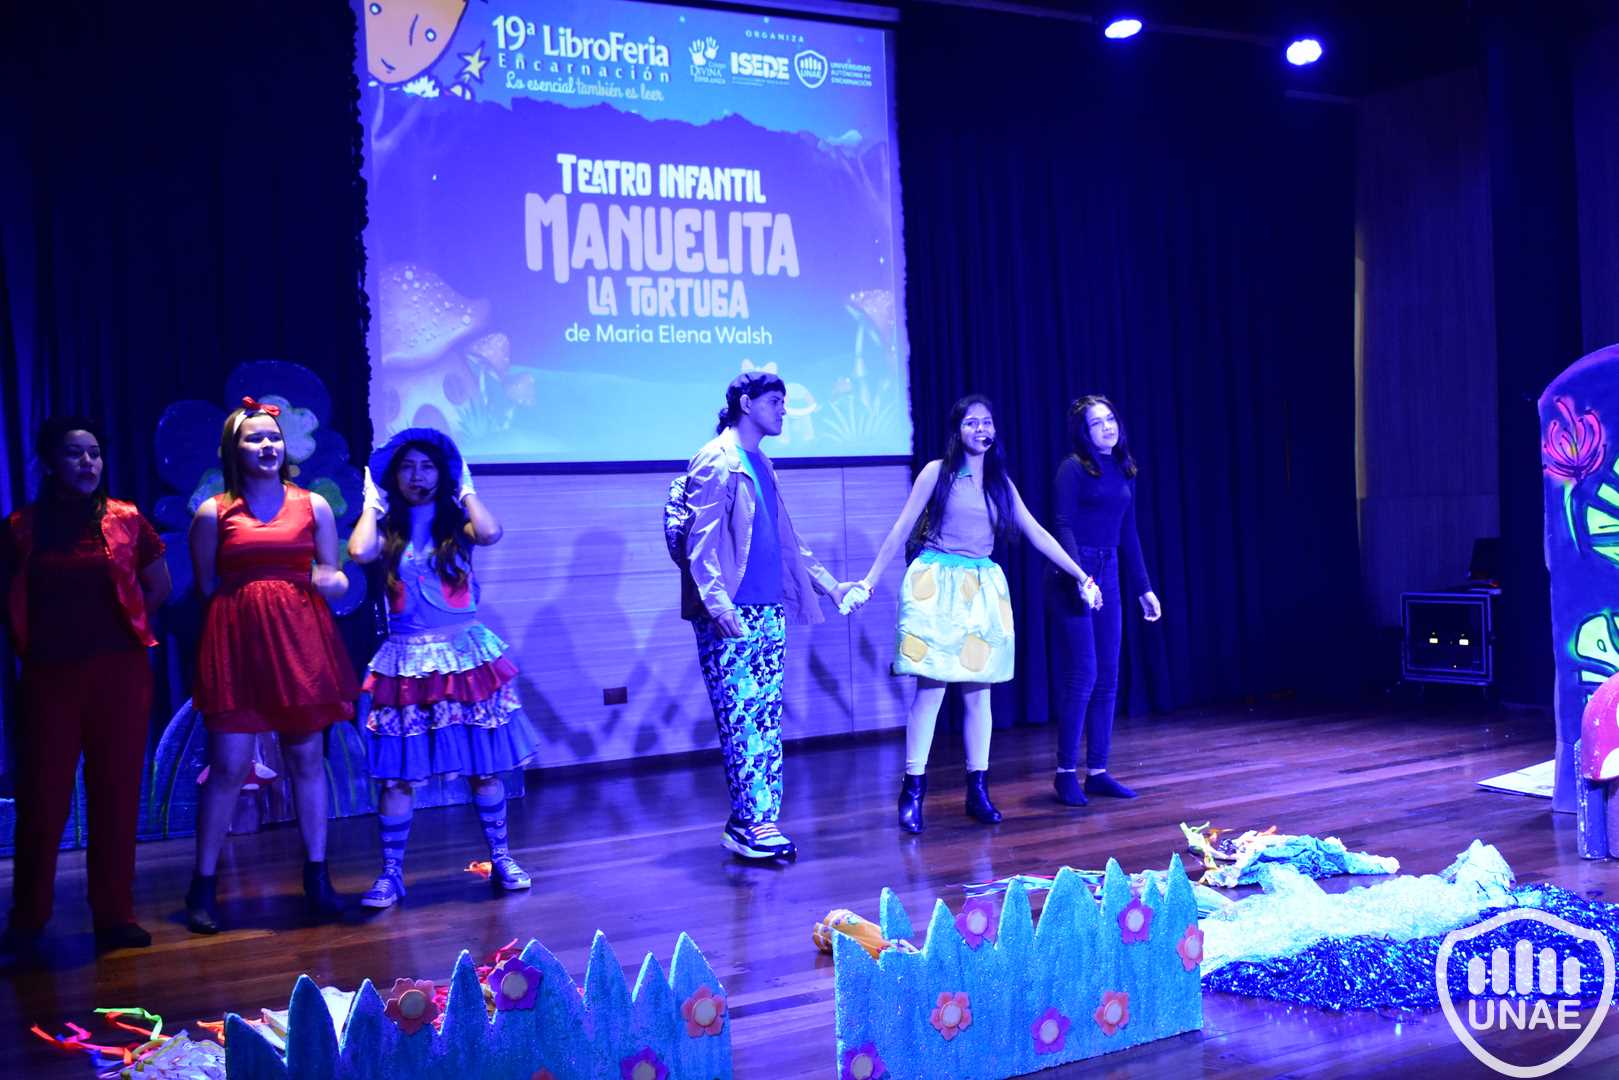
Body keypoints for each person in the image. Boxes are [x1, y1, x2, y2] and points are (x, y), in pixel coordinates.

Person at [848, 394, 1102, 832]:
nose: (981, 429)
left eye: (986, 422)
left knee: (978, 693)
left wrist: (1081, 575)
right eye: (971, 423)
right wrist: (869, 580)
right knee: (931, 690)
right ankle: (912, 789)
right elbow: (901, 527)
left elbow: (1037, 532)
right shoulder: (937, 473)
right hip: (936, 583)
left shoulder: (1000, 482)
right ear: (957, 430)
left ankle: (977, 789)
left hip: (981, 587)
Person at [184, 397, 359, 933]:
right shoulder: (213, 512)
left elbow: (332, 573)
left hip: (300, 643)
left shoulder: (313, 505)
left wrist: (332, 581)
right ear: (233, 449)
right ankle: (203, 885)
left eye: (274, 438)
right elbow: (207, 585)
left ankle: (317, 877)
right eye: (255, 438)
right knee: (228, 766)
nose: (267, 446)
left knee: (306, 759)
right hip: (238, 645)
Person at [346, 428, 540, 908]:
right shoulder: (386, 531)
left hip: (463, 658)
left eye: (428, 466)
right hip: (406, 662)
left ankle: (502, 858)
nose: (418, 476)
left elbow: (491, 533)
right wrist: (371, 504)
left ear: (443, 473)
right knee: (397, 776)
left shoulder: (458, 527)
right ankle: (391, 874)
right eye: (408, 467)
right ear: (395, 476)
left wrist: (466, 489)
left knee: (484, 767)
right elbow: (359, 552)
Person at [1, 418, 170, 955]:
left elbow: (158, 586)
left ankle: (114, 915)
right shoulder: (21, 527)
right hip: (49, 677)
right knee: (42, 799)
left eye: (95, 453)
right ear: (51, 462)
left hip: (120, 674)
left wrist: (118, 630)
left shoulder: (127, 518)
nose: (88, 463)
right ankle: (28, 917)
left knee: (116, 795)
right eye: (76, 454)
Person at [681, 371, 858, 860]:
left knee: (764, 718)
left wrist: (829, 585)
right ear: (746, 403)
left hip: (768, 608)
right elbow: (700, 541)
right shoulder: (716, 459)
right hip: (731, 612)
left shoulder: (761, 462)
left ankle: (755, 821)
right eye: (775, 401)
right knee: (741, 718)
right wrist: (717, 604)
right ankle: (753, 823)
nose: (783, 410)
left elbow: (786, 540)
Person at [1049, 395, 1161, 806]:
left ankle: (1097, 771)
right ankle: (1065, 773)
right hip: (1074, 571)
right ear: (1083, 432)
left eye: (1110, 419)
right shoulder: (1072, 468)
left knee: (1109, 675)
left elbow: (1128, 532)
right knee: (1085, 673)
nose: (1107, 427)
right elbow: (1061, 524)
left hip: (1109, 569)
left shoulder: (1124, 468)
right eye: (1097, 423)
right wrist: (1081, 577)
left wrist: (1144, 588)